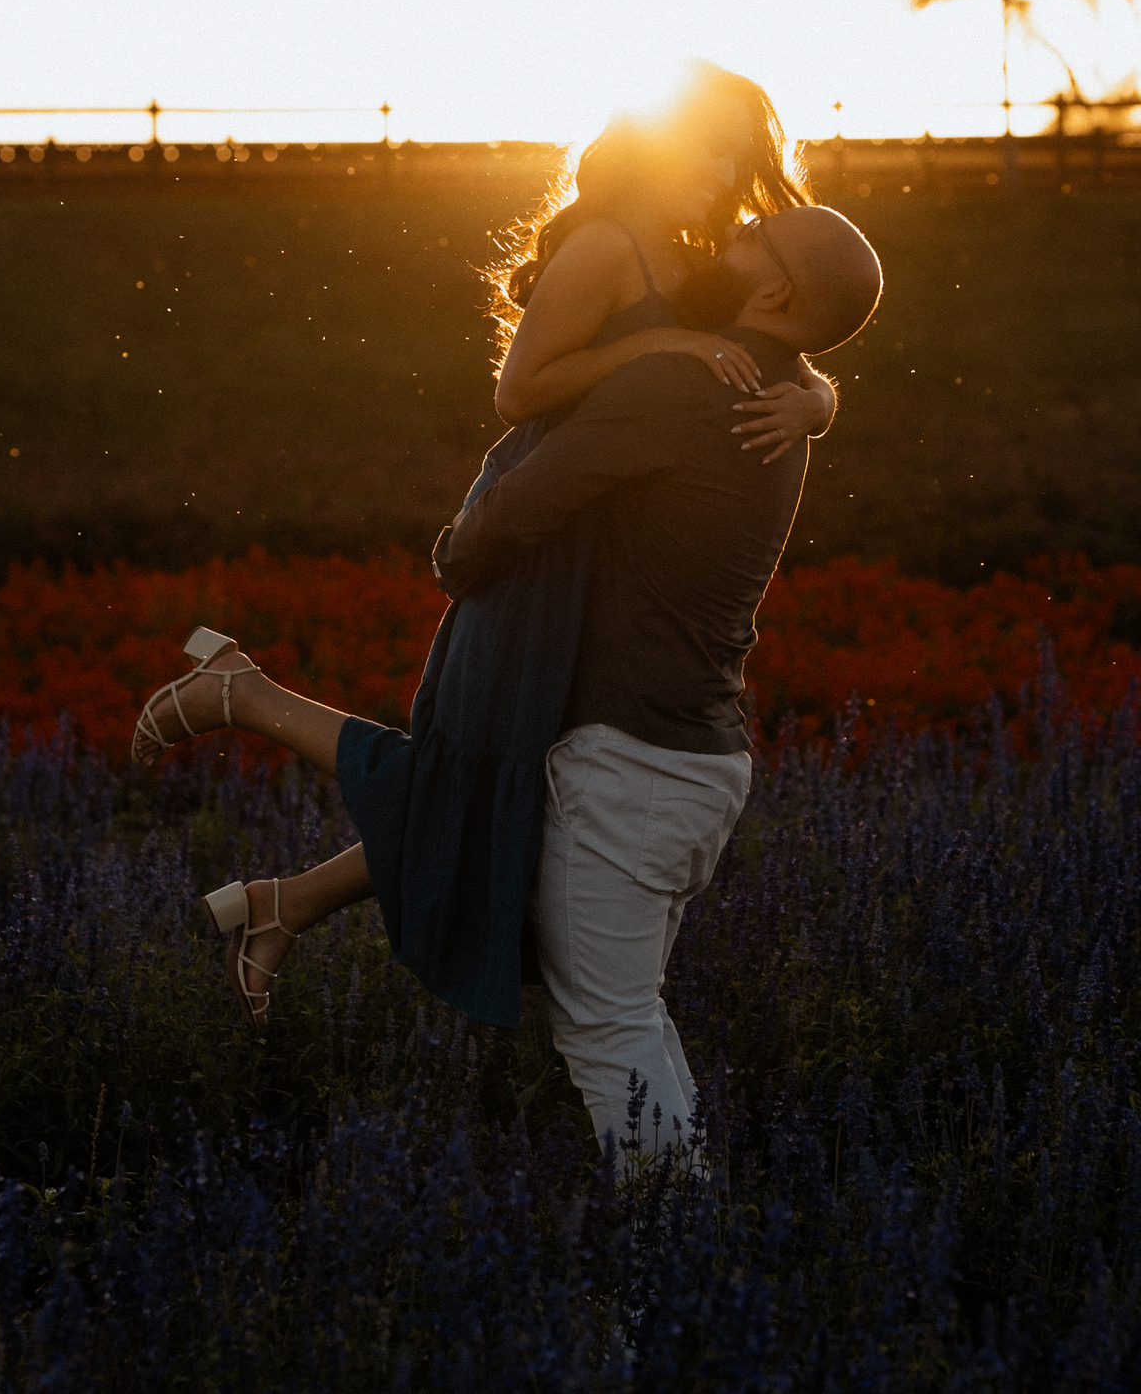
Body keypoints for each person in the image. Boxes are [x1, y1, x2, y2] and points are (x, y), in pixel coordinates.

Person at [134, 202, 881, 1169]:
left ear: (773, 289)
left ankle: (679, 1279)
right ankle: (273, 838)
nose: (732, 231)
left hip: (628, 763)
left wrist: (458, 555)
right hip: (698, 761)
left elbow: (506, 517)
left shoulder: (682, 385)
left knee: (608, 1031)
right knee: (615, 1000)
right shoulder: (785, 398)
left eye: (755, 236)